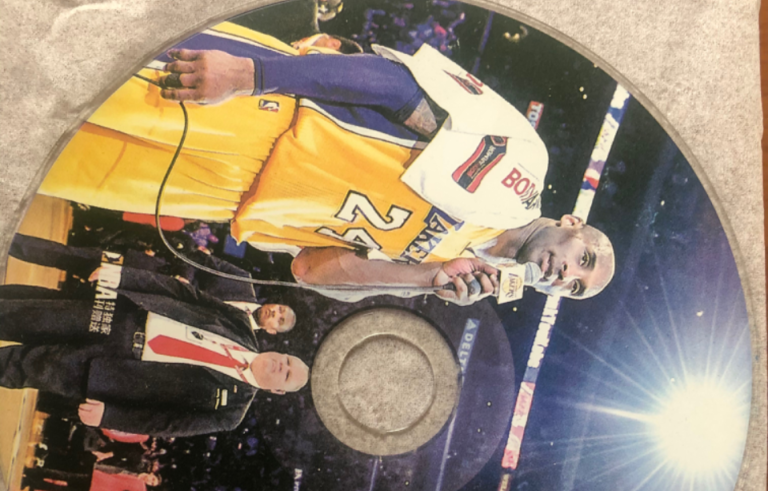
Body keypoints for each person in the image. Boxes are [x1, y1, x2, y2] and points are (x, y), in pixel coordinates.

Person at [38, 23, 615, 305]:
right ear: (572, 223)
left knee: (45, 158)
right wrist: (252, 74)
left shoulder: (460, 272)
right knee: (59, 67)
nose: (567, 274)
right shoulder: (520, 176)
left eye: (576, 287)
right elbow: (396, 87)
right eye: (583, 258)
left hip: (221, 196)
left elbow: (311, 269)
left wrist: (426, 278)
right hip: (259, 116)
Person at [0, 262, 309, 438]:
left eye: (286, 375)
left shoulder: (230, 413)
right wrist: (126, 276)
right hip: (123, 319)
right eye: (286, 360)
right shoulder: (241, 324)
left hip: (113, 372)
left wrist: (111, 415)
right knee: (26, 316)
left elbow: (165, 423)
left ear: (277, 391)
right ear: (280, 351)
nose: (281, 366)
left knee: (26, 366)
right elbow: (184, 293)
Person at [8, 233, 297, 335]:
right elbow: (198, 258)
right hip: (142, 270)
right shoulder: (242, 280)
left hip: (132, 313)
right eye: (280, 308)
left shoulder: (235, 338)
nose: (275, 312)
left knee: (57, 305)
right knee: (67, 256)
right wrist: (184, 279)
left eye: (280, 319)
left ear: (272, 331)